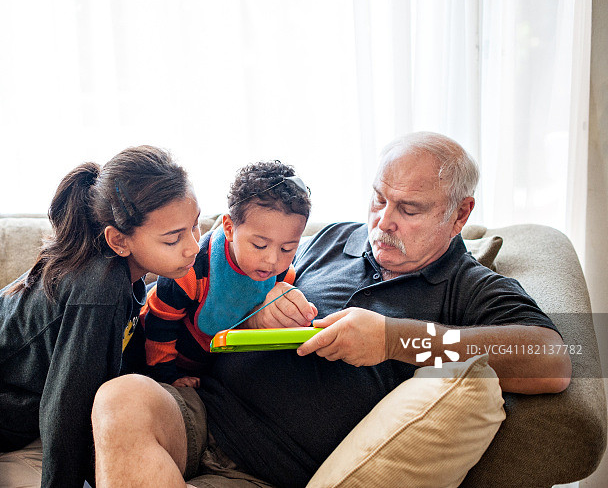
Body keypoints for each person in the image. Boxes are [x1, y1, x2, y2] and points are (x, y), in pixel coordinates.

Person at [91, 132, 572, 488]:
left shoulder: (469, 288)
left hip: (276, 468)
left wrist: (391, 339)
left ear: (460, 215)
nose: (383, 221)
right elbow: (236, 285)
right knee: (120, 398)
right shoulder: (336, 239)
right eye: (380, 198)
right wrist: (257, 314)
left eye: (409, 209)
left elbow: (551, 358)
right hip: (201, 413)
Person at [0, 146, 201, 487]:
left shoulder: (127, 280)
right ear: (118, 241)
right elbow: (67, 408)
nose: (193, 246)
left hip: (12, 434)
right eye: (175, 238)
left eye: (194, 227)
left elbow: (119, 371)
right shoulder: (97, 288)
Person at [142, 161, 312, 387]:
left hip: (209, 366)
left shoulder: (282, 277)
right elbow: (157, 325)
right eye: (260, 245)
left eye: (287, 249)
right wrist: (167, 378)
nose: (272, 260)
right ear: (230, 229)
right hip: (156, 359)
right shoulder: (190, 270)